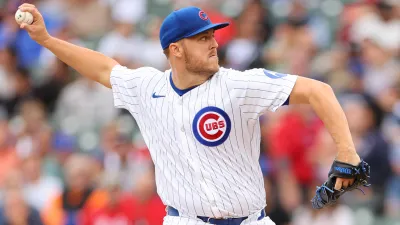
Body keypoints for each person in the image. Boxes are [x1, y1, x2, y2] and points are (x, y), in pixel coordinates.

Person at [18, 3, 363, 225]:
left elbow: (320, 91)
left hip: (250, 221)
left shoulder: (239, 85)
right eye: (202, 38)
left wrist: (346, 152)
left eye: (212, 35)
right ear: (176, 49)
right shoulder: (147, 87)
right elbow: (102, 68)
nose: (214, 43)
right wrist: (46, 39)